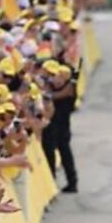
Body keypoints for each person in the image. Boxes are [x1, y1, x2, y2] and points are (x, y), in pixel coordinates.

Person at [42, 63, 78, 193]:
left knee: (65, 154)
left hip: (62, 128)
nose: (56, 79)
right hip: (51, 128)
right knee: (50, 155)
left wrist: (48, 94)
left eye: (60, 77)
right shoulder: (54, 87)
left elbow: (62, 94)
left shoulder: (69, 91)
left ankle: (72, 182)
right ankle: (52, 181)